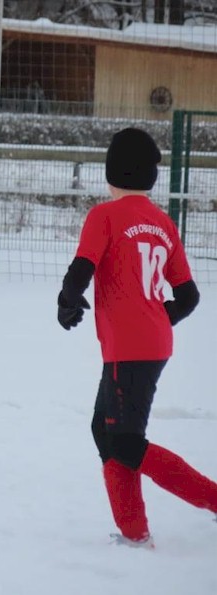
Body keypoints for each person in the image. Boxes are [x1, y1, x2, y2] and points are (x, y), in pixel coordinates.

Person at [57, 127, 217, 547]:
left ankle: (213, 501)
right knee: (104, 430)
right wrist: (156, 321)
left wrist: (67, 302)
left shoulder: (104, 216)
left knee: (126, 442)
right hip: (146, 345)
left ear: (111, 173)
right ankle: (132, 533)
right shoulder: (162, 222)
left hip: (131, 348)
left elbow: (80, 270)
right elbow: (189, 295)